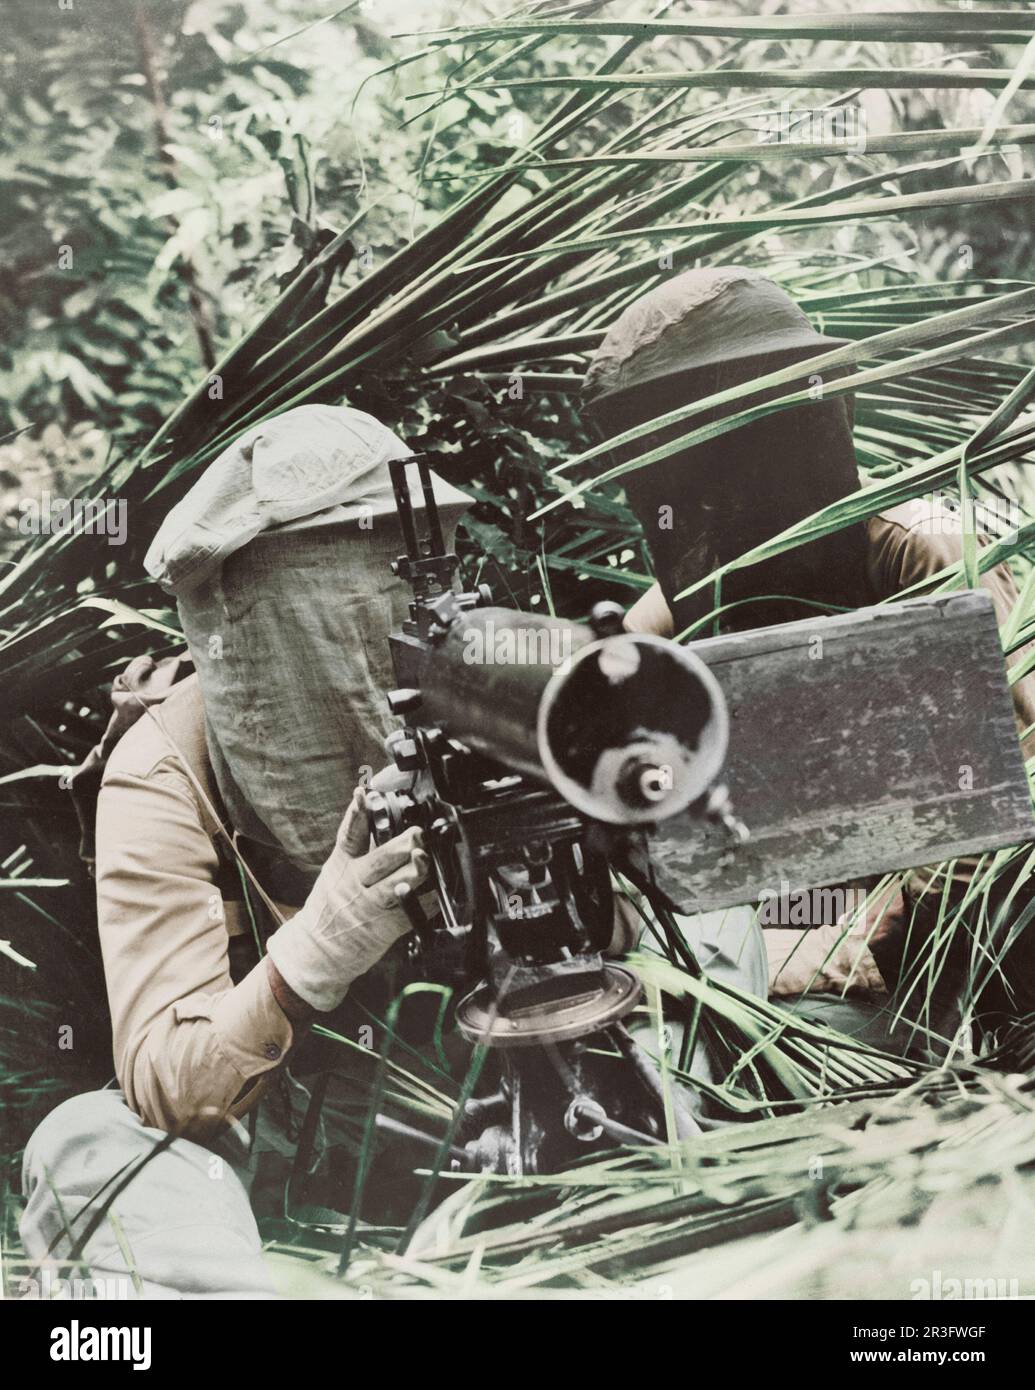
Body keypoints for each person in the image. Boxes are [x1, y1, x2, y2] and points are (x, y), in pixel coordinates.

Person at [20, 404, 472, 1297]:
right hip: (278, 1154)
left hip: (507, 1090)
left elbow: (636, 929)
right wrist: (321, 945)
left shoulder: (496, 694)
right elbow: (165, 1083)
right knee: (87, 1145)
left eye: (390, 591)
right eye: (328, 603)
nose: (368, 640)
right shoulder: (167, 768)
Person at [582, 266, 1035, 1053]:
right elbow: (601, 696)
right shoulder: (698, 582)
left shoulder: (924, 550)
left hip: (959, 918)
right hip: (801, 895)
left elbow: (1016, 776)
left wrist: (875, 925)